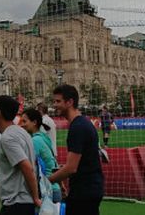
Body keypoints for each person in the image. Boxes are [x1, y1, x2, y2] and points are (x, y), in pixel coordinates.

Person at [49, 84, 104, 215]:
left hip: (84, 191)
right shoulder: (82, 123)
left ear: (70, 102)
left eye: (58, 101)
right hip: (90, 188)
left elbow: (71, 168)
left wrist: (46, 181)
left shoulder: (78, 127)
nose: (54, 105)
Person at [0, 96, 39, 215]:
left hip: (16, 203)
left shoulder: (8, 138)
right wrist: (1, 166)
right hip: (22, 202)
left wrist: (36, 197)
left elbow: (27, 167)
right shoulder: (22, 132)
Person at [20, 108, 61, 203]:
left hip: (47, 190)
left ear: (34, 122)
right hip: (54, 188)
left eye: (24, 121)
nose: (22, 125)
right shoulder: (43, 137)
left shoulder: (35, 141)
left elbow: (28, 166)